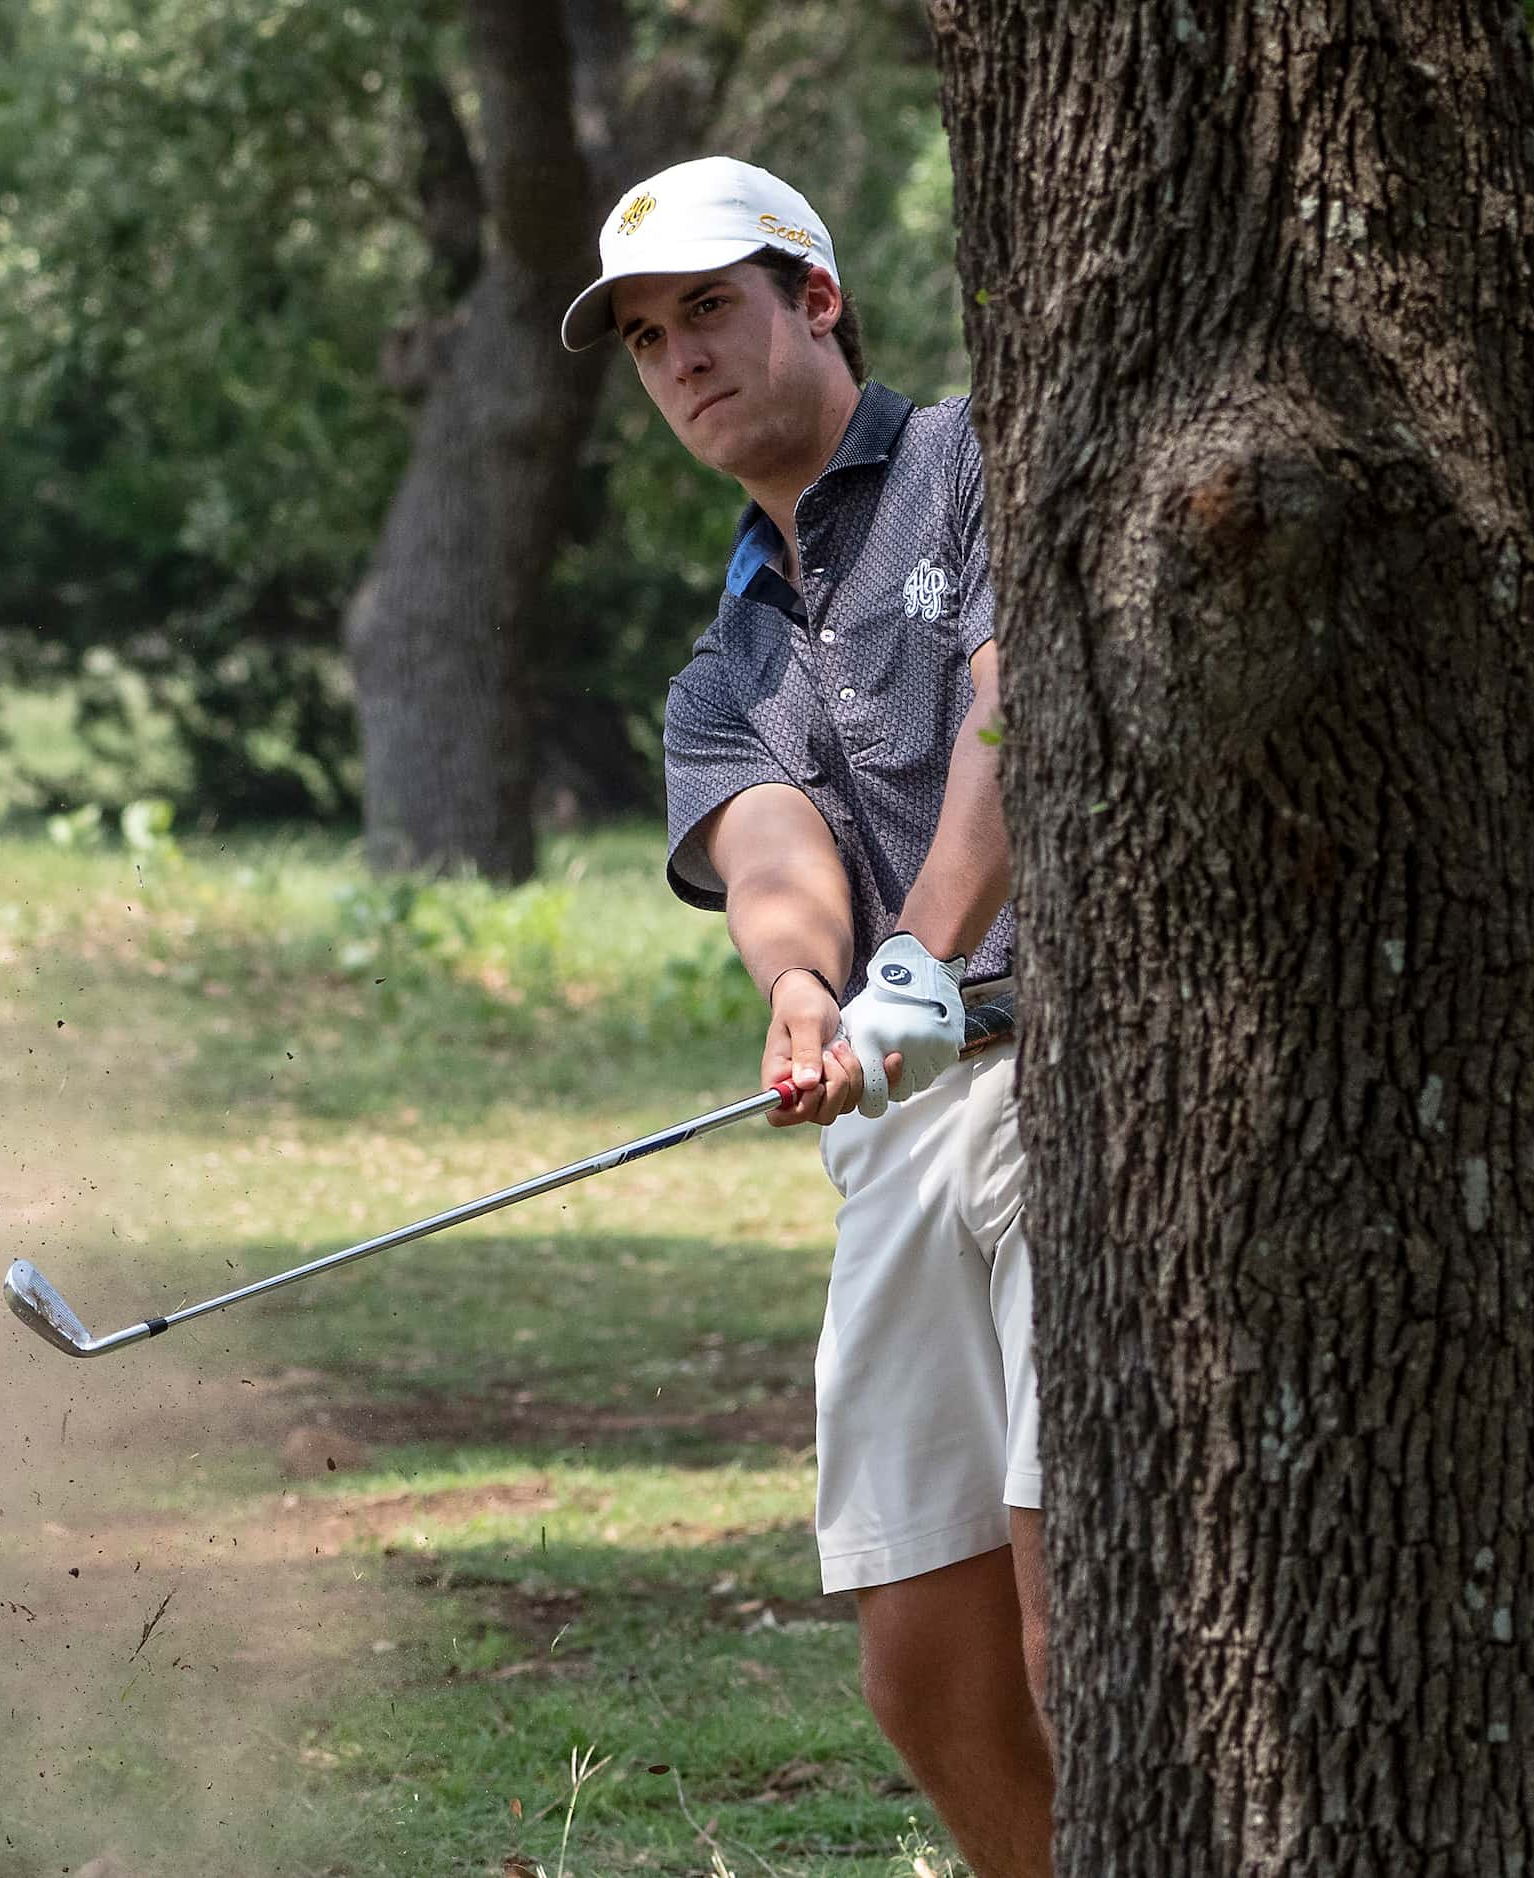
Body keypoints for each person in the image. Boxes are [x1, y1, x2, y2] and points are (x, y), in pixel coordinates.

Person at [562, 156, 1049, 1877]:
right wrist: (800, 985)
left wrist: (920, 952)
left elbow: (1020, 706)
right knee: (925, 1668)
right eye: (644, 338)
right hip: (904, 1116)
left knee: (1086, 1611)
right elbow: (769, 844)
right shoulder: (721, 657)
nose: (680, 359)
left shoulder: (983, 459)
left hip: (1084, 1091)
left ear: (815, 299)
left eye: (710, 309)